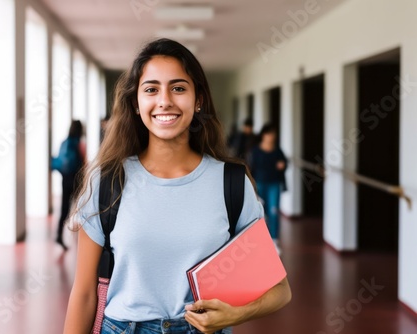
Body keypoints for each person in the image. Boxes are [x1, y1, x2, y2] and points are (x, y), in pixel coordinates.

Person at [63, 39, 291, 334]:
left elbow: (280, 290)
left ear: (198, 100)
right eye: (151, 89)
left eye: (179, 88)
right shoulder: (107, 181)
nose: (165, 100)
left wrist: (232, 315)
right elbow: (83, 294)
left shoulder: (231, 182)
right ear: (136, 103)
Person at [250, 123, 287, 255]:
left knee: (274, 211)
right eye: (268, 134)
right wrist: (251, 187)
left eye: (273, 134)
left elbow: (284, 162)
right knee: (260, 214)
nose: (271, 137)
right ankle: (260, 241)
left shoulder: (277, 150)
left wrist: (283, 165)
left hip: (274, 184)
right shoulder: (256, 150)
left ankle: (274, 240)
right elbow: (251, 168)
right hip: (260, 184)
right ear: (263, 135)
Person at [55, 120, 86, 250]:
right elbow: (83, 163)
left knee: (64, 207)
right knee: (81, 206)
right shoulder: (79, 144)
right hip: (76, 179)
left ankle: (59, 235)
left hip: (65, 178)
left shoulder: (64, 142)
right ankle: (81, 234)